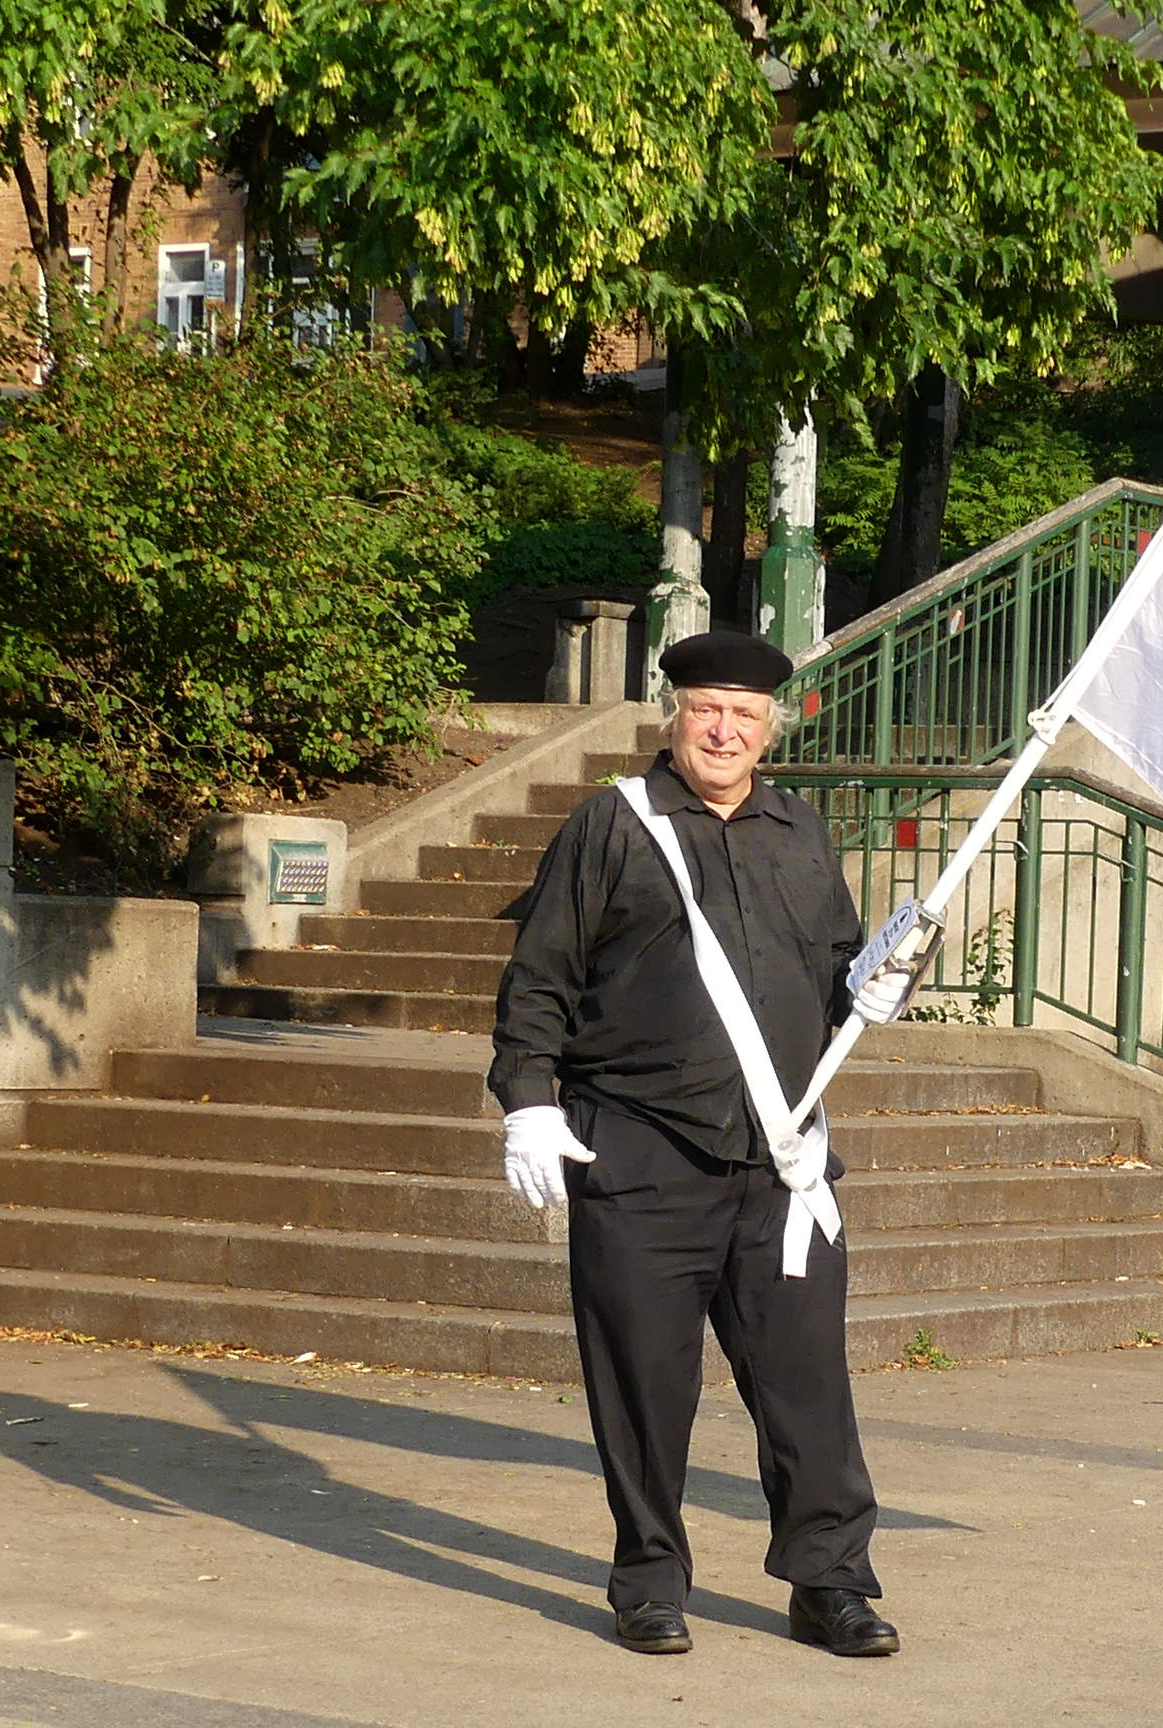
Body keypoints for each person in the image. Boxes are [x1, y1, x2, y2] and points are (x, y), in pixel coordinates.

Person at [488, 629, 922, 1657]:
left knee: (808, 1387)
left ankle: (829, 1583)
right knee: (643, 1384)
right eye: (705, 710)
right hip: (641, 1155)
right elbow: (538, 980)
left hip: (782, 1163)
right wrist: (525, 1099)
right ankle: (647, 1580)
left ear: (770, 729)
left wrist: (881, 980)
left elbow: (830, 976)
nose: (724, 730)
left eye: (745, 715)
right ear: (672, 716)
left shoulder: (797, 830)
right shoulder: (612, 827)